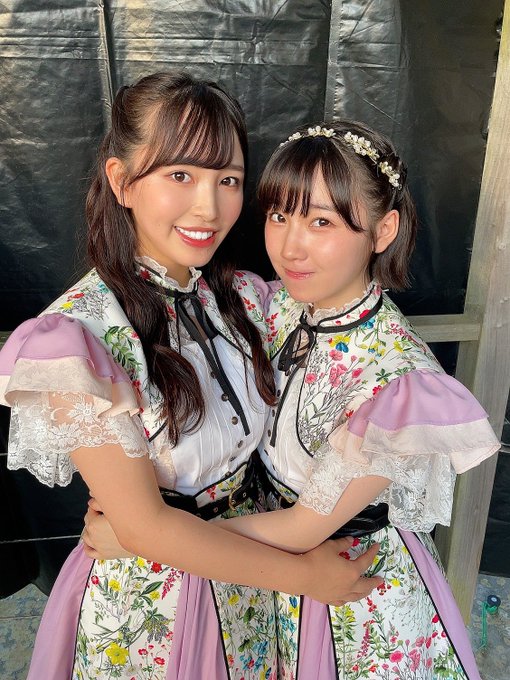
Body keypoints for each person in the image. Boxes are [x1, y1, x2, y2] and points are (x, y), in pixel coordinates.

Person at [0, 78, 381, 680]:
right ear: (122, 181)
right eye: (180, 175)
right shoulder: (78, 340)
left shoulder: (241, 300)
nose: (209, 207)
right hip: (158, 603)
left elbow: (350, 311)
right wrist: (307, 577)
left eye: (228, 180)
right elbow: (146, 527)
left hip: (253, 586)